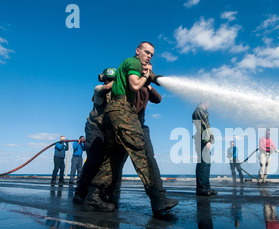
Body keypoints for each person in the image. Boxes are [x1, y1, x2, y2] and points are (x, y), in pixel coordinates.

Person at [83, 41, 178, 214]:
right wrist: (146, 78)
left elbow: (154, 81)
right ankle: (158, 198)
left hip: (115, 112)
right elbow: (134, 85)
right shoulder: (133, 62)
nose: (149, 56)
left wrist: (158, 79)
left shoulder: (138, 66)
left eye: (152, 54)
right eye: (146, 52)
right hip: (122, 109)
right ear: (138, 51)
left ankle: (93, 196)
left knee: (114, 158)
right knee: (140, 150)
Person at [73, 68, 116, 204]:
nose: (110, 82)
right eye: (108, 79)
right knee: (93, 158)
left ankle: (98, 192)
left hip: (106, 129)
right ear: (104, 79)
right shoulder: (99, 88)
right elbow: (106, 88)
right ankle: (80, 192)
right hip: (94, 127)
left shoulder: (117, 92)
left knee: (105, 161)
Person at [192, 102, 218, 196]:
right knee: (203, 164)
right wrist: (207, 140)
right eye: (208, 102)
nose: (209, 105)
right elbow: (203, 126)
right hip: (202, 140)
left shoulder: (203, 112)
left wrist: (210, 140)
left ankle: (206, 187)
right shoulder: (199, 111)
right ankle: (201, 188)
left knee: (207, 164)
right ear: (204, 102)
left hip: (204, 140)